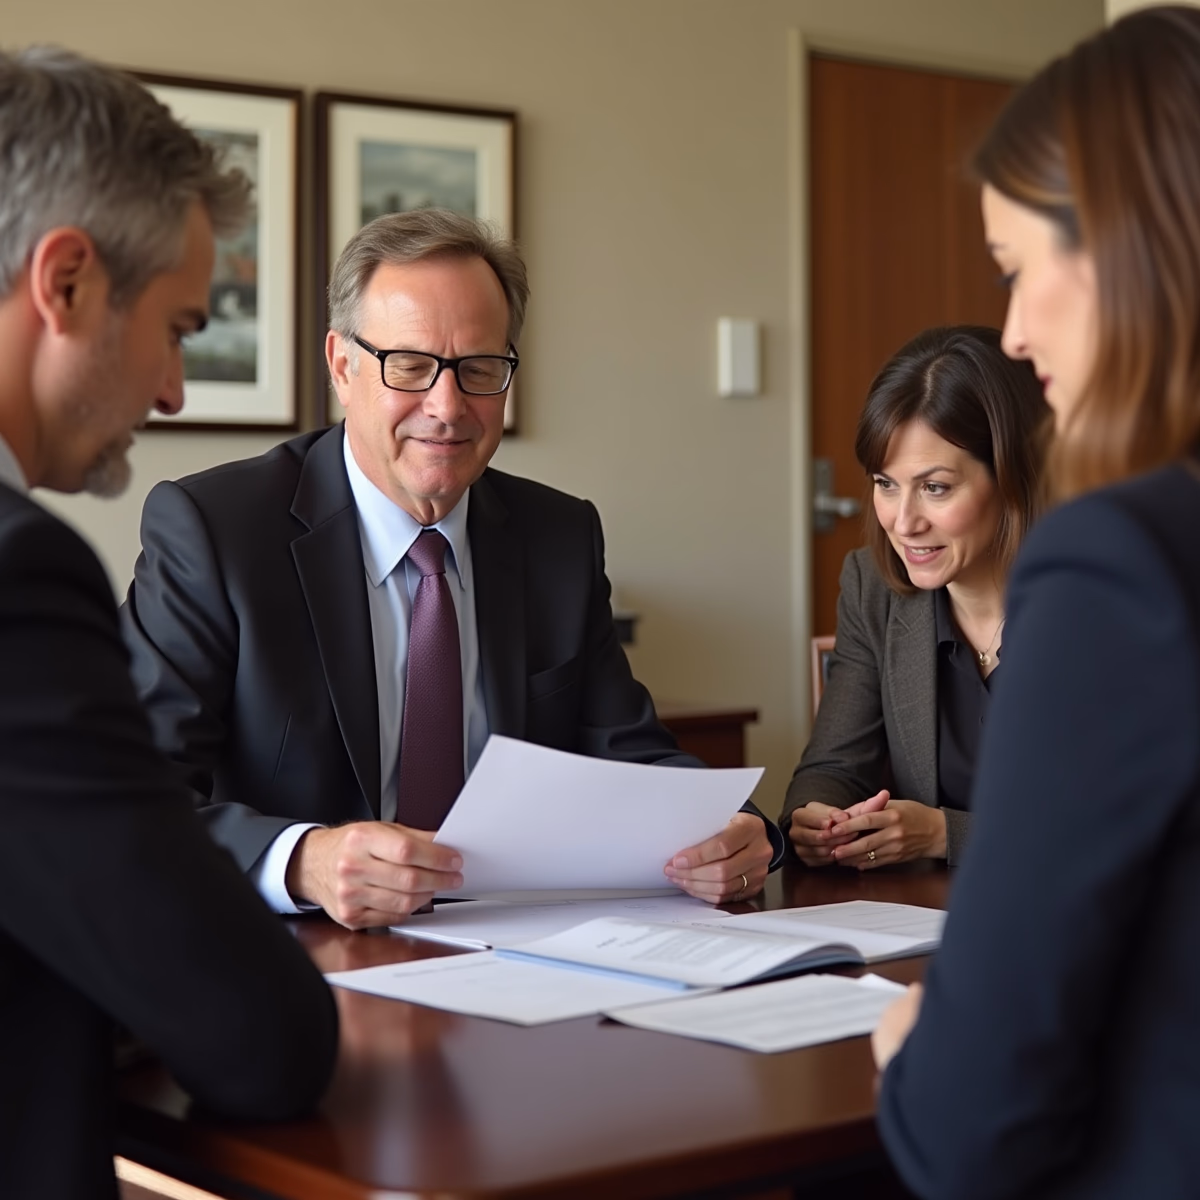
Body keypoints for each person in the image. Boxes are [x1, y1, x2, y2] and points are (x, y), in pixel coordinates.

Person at [120, 208, 784, 931]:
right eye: (409, 365)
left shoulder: (557, 535)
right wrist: (301, 860)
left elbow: (626, 751)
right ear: (343, 366)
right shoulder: (216, 531)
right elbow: (133, 793)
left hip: (518, 947)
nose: (447, 406)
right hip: (301, 953)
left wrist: (739, 828)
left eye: (479, 369)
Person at [872, 8, 1200, 1197]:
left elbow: (976, 1121)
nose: (1011, 329)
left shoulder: (1114, 563)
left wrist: (914, 1059)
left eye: (1016, 269)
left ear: (1125, 244)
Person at [0, 48, 338, 1200]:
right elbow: (261, 1036)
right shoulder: (18, 581)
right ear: (69, 283)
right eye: (179, 328)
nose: (175, 392)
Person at [782, 326, 1046, 869]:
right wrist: (819, 818)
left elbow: (1123, 825)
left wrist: (943, 833)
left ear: (1013, 476)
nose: (904, 523)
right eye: (885, 483)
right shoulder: (872, 586)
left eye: (935, 487)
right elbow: (834, 764)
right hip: (921, 921)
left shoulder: (1103, 600)